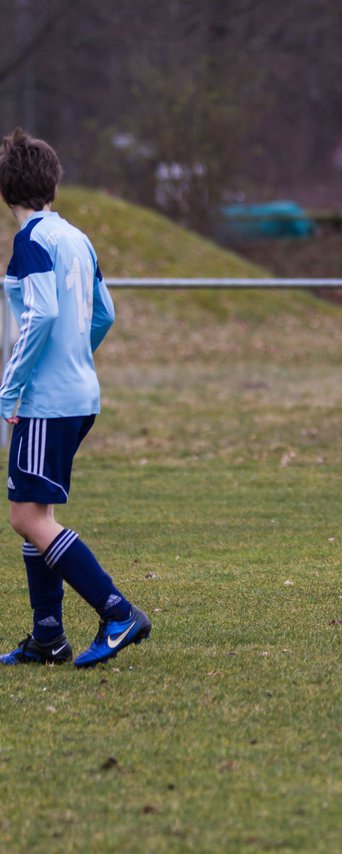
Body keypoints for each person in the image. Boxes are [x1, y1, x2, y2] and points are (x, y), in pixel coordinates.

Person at [0, 128, 150, 667]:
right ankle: (48, 636)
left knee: (26, 517)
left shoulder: (31, 240)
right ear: (53, 186)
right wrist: (75, 358)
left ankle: (117, 611)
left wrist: (10, 389)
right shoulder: (76, 237)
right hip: (79, 394)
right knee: (34, 508)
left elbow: (40, 315)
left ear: (4, 191)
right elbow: (104, 311)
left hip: (47, 400)